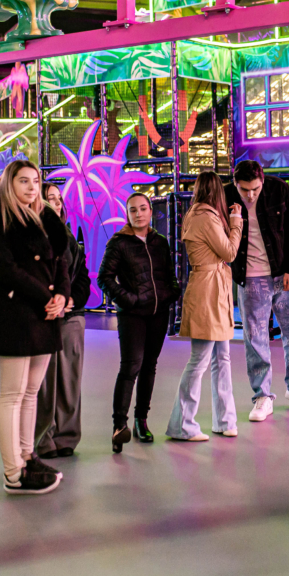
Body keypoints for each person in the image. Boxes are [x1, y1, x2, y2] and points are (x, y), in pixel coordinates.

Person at [0, 160, 71, 495]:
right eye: (23, 181)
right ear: (9, 183)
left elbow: (61, 262)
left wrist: (61, 295)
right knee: (12, 394)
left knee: (31, 392)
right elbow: (7, 270)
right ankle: (13, 473)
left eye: (35, 181)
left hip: (46, 314)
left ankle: (27, 456)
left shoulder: (47, 218)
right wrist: (47, 298)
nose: (32, 187)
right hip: (17, 312)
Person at [224, 160, 289, 422]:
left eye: (255, 189)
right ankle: (262, 396)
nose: (250, 195)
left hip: (282, 275)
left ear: (263, 181)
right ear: (235, 183)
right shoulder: (225, 195)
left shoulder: (278, 189)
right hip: (250, 279)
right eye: (244, 189)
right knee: (255, 338)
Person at [166, 172, 243, 441]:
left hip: (212, 288)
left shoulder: (197, 214)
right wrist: (236, 222)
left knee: (221, 357)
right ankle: (182, 425)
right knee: (201, 360)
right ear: (217, 191)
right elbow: (230, 252)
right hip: (209, 290)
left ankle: (225, 421)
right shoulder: (205, 217)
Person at [99, 192, 178, 452]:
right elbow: (104, 278)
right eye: (133, 210)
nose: (139, 213)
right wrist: (129, 300)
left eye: (143, 208)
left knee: (149, 367)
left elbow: (169, 273)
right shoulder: (119, 243)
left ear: (151, 211)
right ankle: (119, 426)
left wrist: (171, 293)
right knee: (131, 366)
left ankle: (141, 421)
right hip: (132, 315)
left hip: (158, 313)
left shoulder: (160, 242)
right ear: (127, 214)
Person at [35, 184, 91, 459]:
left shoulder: (70, 239)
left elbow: (83, 279)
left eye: (59, 199)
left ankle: (67, 437)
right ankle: (43, 439)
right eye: (50, 199)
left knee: (69, 381)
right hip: (43, 316)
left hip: (71, 317)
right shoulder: (33, 237)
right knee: (44, 384)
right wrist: (53, 300)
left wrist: (70, 300)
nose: (56, 204)